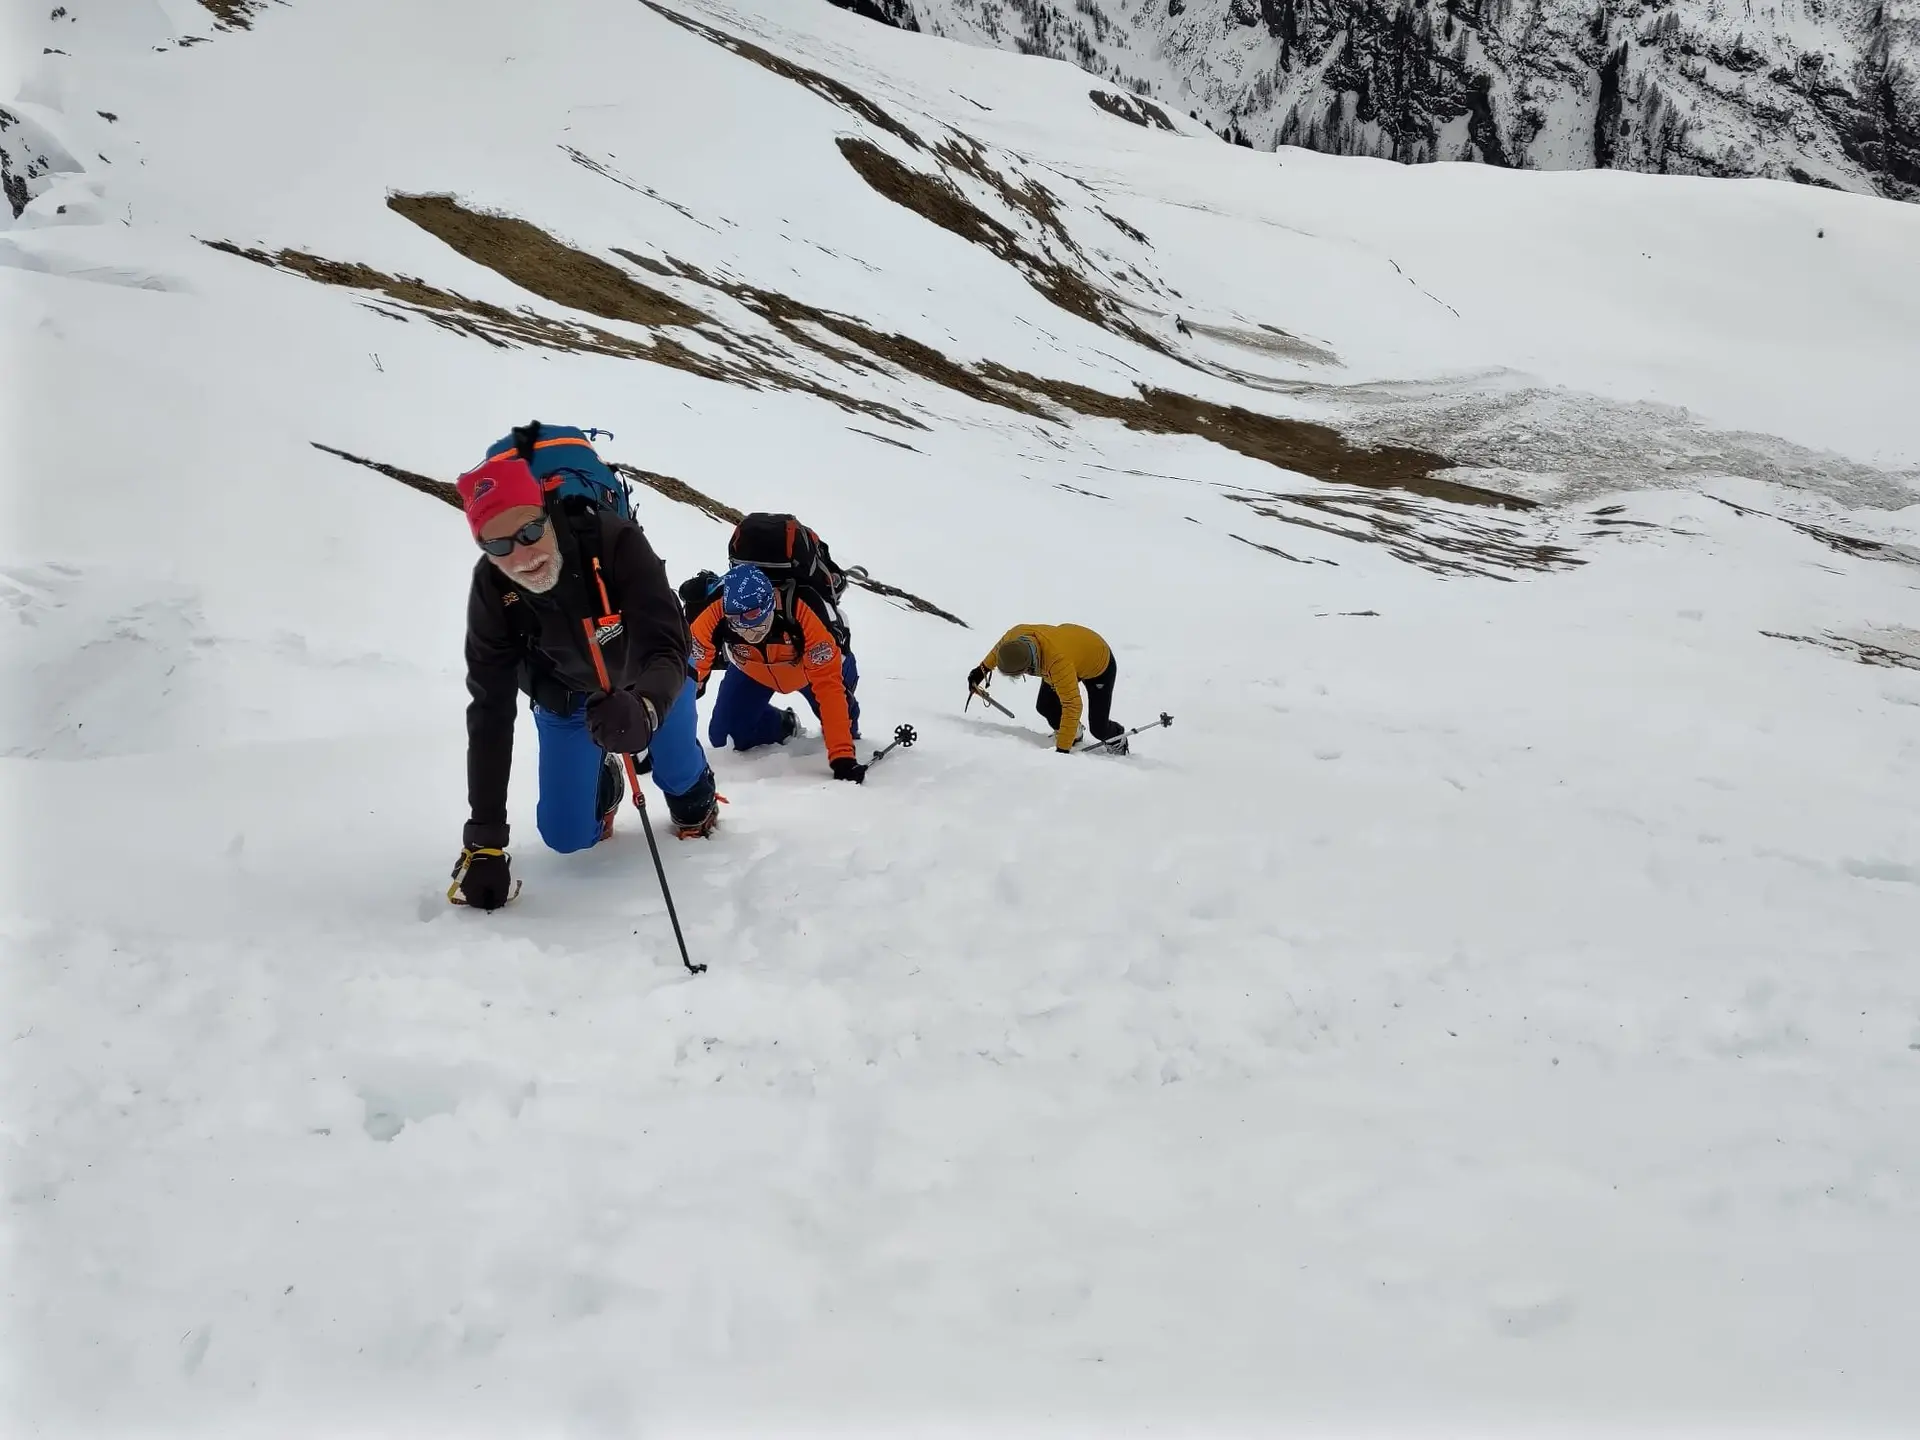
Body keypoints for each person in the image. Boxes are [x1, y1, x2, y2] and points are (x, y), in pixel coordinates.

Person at [451, 452, 720, 911]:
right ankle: (606, 781)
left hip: (651, 677)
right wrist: (484, 843)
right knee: (566, 837)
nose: (521, 555)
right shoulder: (492, 589)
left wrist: (647, 707)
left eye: (529, 531)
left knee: (679, 781)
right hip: (567, 700)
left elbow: (667, 645)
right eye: (497, 544)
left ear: (547, 511)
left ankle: (696, 787)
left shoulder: (614, 540)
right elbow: (489, 710)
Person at [690, 563, 866, 783]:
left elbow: (828, 686)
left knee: (845, 726)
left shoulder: (803, 609)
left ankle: (849, 716)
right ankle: (784, 724)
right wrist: (664, 736)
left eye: (753, 615)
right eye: (735, 620)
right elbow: (689, 676)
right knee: (724, 736)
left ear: (770, 603)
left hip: (810, 670)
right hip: (752, 670)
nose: (746, 629)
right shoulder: (714, 613)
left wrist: (842, 757)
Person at [969, 623, 1126, 754]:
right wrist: (980, 671)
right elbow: (999, 651)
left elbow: (1072, 705)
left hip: (1098, 662)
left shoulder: (1057, 663)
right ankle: (1073, 734)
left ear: (1026, 668)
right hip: (1072, 649)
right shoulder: (1015, 636)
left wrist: (1062, 750)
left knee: (1098, 728)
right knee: (1045, 706)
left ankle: (1118, 739)